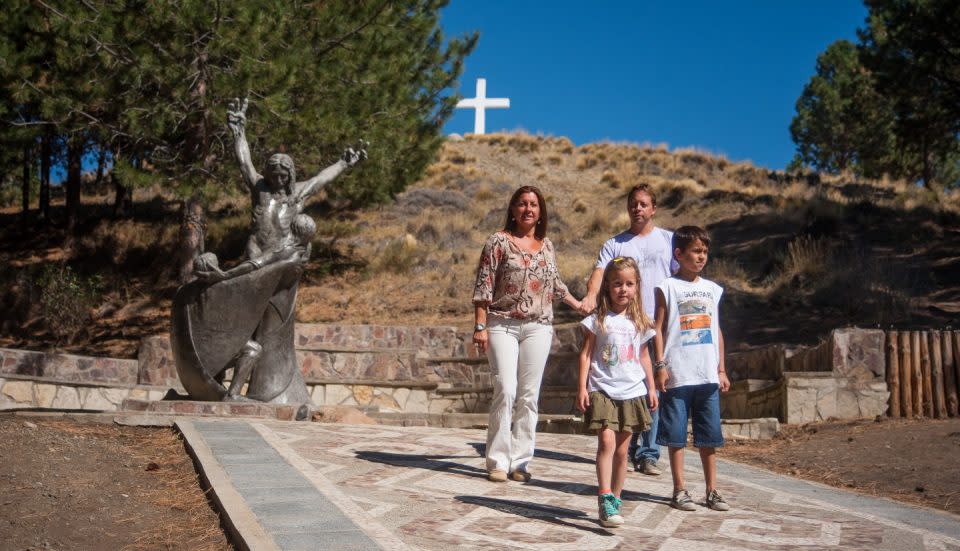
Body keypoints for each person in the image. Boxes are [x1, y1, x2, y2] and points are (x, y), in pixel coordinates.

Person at [472, 185, 586, 483]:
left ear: (540, 212)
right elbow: (483, 286)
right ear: (512, 209)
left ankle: (520, 462)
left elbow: (554, 282)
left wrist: (577, 303)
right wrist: (480, 326)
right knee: (506, 390)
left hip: (539, 327)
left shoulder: (546, 245)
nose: (528, 209)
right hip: (502, 323)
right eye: (522, 204)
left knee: (528, 395)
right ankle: (497, 460)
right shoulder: (498, 241)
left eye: (533, 204)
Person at [582, 183, 677, 477]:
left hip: (657, 324)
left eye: (644, 204)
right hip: (623, 322)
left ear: (654, 208)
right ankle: (627, 448)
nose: (638, 208)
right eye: (633, 204)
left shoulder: (668, 240)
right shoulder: (615, 244)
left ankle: (647, 453)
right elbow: (599, 273)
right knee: (625, 382)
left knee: (654, 386)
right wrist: (589, 296)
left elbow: (680, 275)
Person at [226, 97, 365, 261]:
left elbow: (322, 179)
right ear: (267, 174)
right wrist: (239, 132)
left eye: (283, 176)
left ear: (290, 175)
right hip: (256, 250)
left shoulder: (298, 193)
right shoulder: (260, 186)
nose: (278, 180)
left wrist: (342, 164)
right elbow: (244, 163)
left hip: (284, 252)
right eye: (274, 175)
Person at [653, 225, 731, 512]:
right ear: (678, 254)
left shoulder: (712, 289)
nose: (701, 257)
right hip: (678, 374)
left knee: (709, 437)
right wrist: (660, 365)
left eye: (705, 252)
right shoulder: (667, 286)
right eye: (695, 251)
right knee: (676, 436)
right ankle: (679, 489)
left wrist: (721, 368)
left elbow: (716, 329)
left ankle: (712, 491)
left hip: (707, 375)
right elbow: (658, 328)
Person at [577, 257, 658, 528]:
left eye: (629, 284)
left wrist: (652, 387)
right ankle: (604, 497)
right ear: (608, 287)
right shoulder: (597, 319)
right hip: (602, 388)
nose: (623, 289)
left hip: (632, 391)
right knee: (607, 445)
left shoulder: (641, 322)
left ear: (637, 287)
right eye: (617, 284)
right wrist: (582, 387)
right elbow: (586, 355)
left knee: (623, 452)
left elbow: (644, 357)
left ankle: (616, 500)